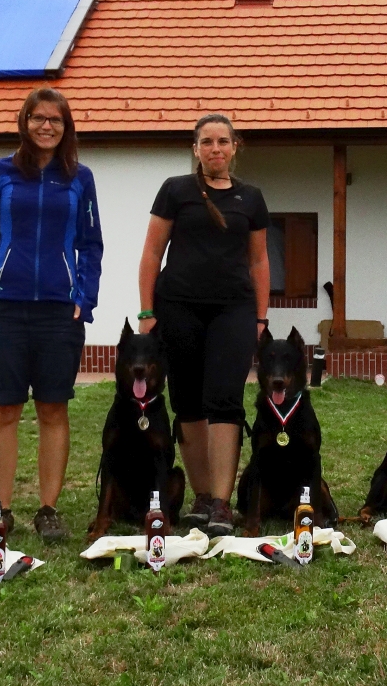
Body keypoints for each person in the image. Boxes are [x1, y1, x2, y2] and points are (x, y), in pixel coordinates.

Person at [0, 88, 103, 542]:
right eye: (38, 118)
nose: (47, 127)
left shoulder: (79, 178)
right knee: (3, 408)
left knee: (52, 408)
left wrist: (86, 295)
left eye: (56, 120)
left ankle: (48, 509)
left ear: (67, 128)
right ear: (24, 122)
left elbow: (90, 244)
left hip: (59, 314)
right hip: (3, 307)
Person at [137, 113, 270, 536]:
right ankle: (198, 496)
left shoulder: (252, 197)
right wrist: (146, 312)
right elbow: (151, 254)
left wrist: (261, 317)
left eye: (223, 142)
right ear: (196, 149)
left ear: (235, 147)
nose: (216, 149)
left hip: (233, 311)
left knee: (225, 401)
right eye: (207, 142)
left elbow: (259, 260)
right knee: (188, 402)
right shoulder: (175, 191)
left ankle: (221, 503)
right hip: (178, 309)